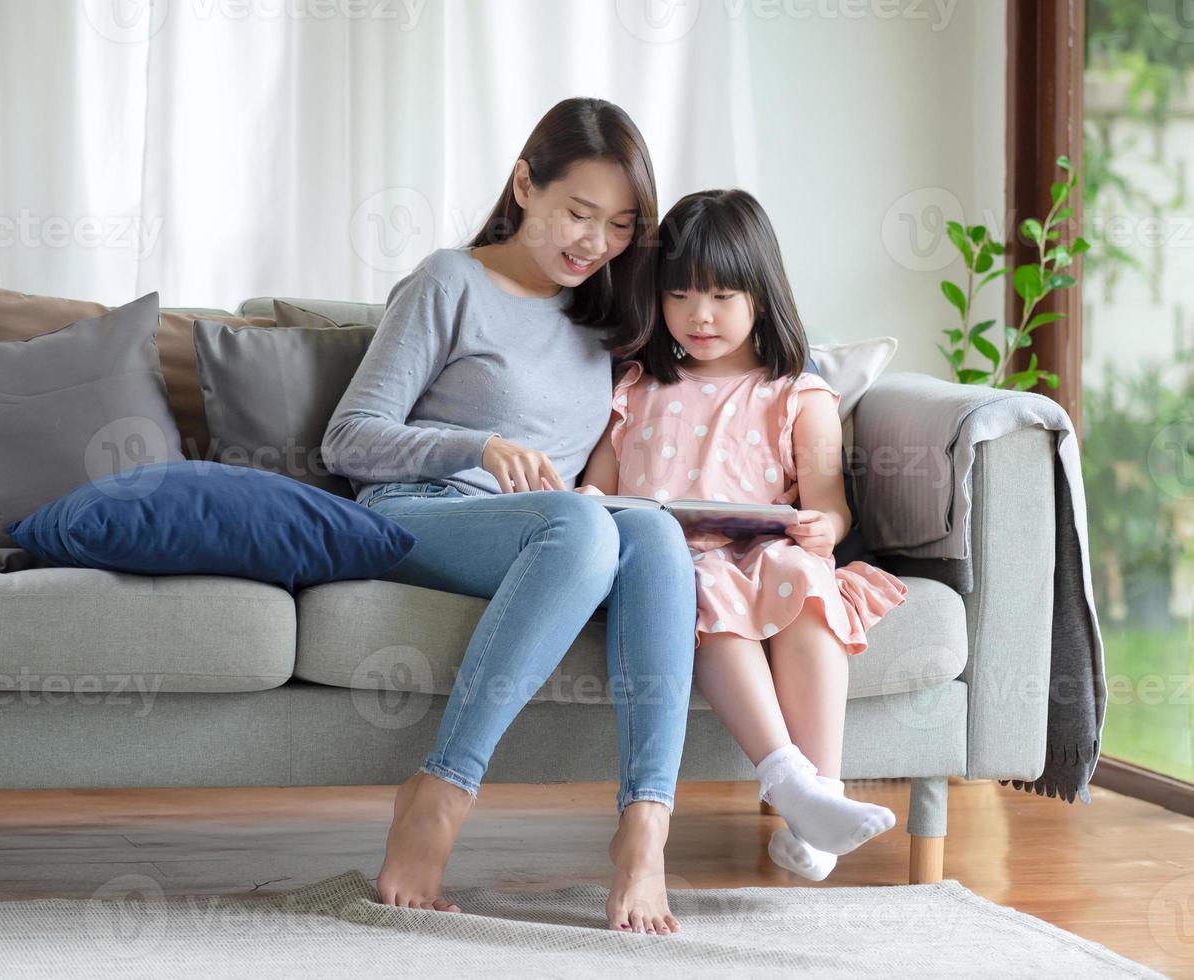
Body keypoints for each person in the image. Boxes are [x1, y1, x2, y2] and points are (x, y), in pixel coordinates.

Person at [322, 97, 696, 934]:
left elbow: (742, 343)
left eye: (621, 225)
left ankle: (646, 828)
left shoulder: (604, 317)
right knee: (580, 525)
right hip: (422, 513)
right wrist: (477, 447)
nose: (594, 242)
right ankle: (440, 793)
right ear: (525, 183)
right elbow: (347, 440)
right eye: (577, 212)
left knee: (657, 534)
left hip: (555, 534)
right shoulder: (447, 281)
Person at [576, 188, 909, 881]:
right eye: (681, 295)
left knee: (809, 580)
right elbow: (597, 491)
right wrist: (584, 500)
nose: (700, 315)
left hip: (763, 552)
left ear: (762, 296)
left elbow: (830, 506)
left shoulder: (796, 392)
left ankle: (824, 799)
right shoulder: (635, 388)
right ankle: (792, 785)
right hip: (666, 564)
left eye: (723, 296)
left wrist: (825, 528)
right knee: (699, 587)